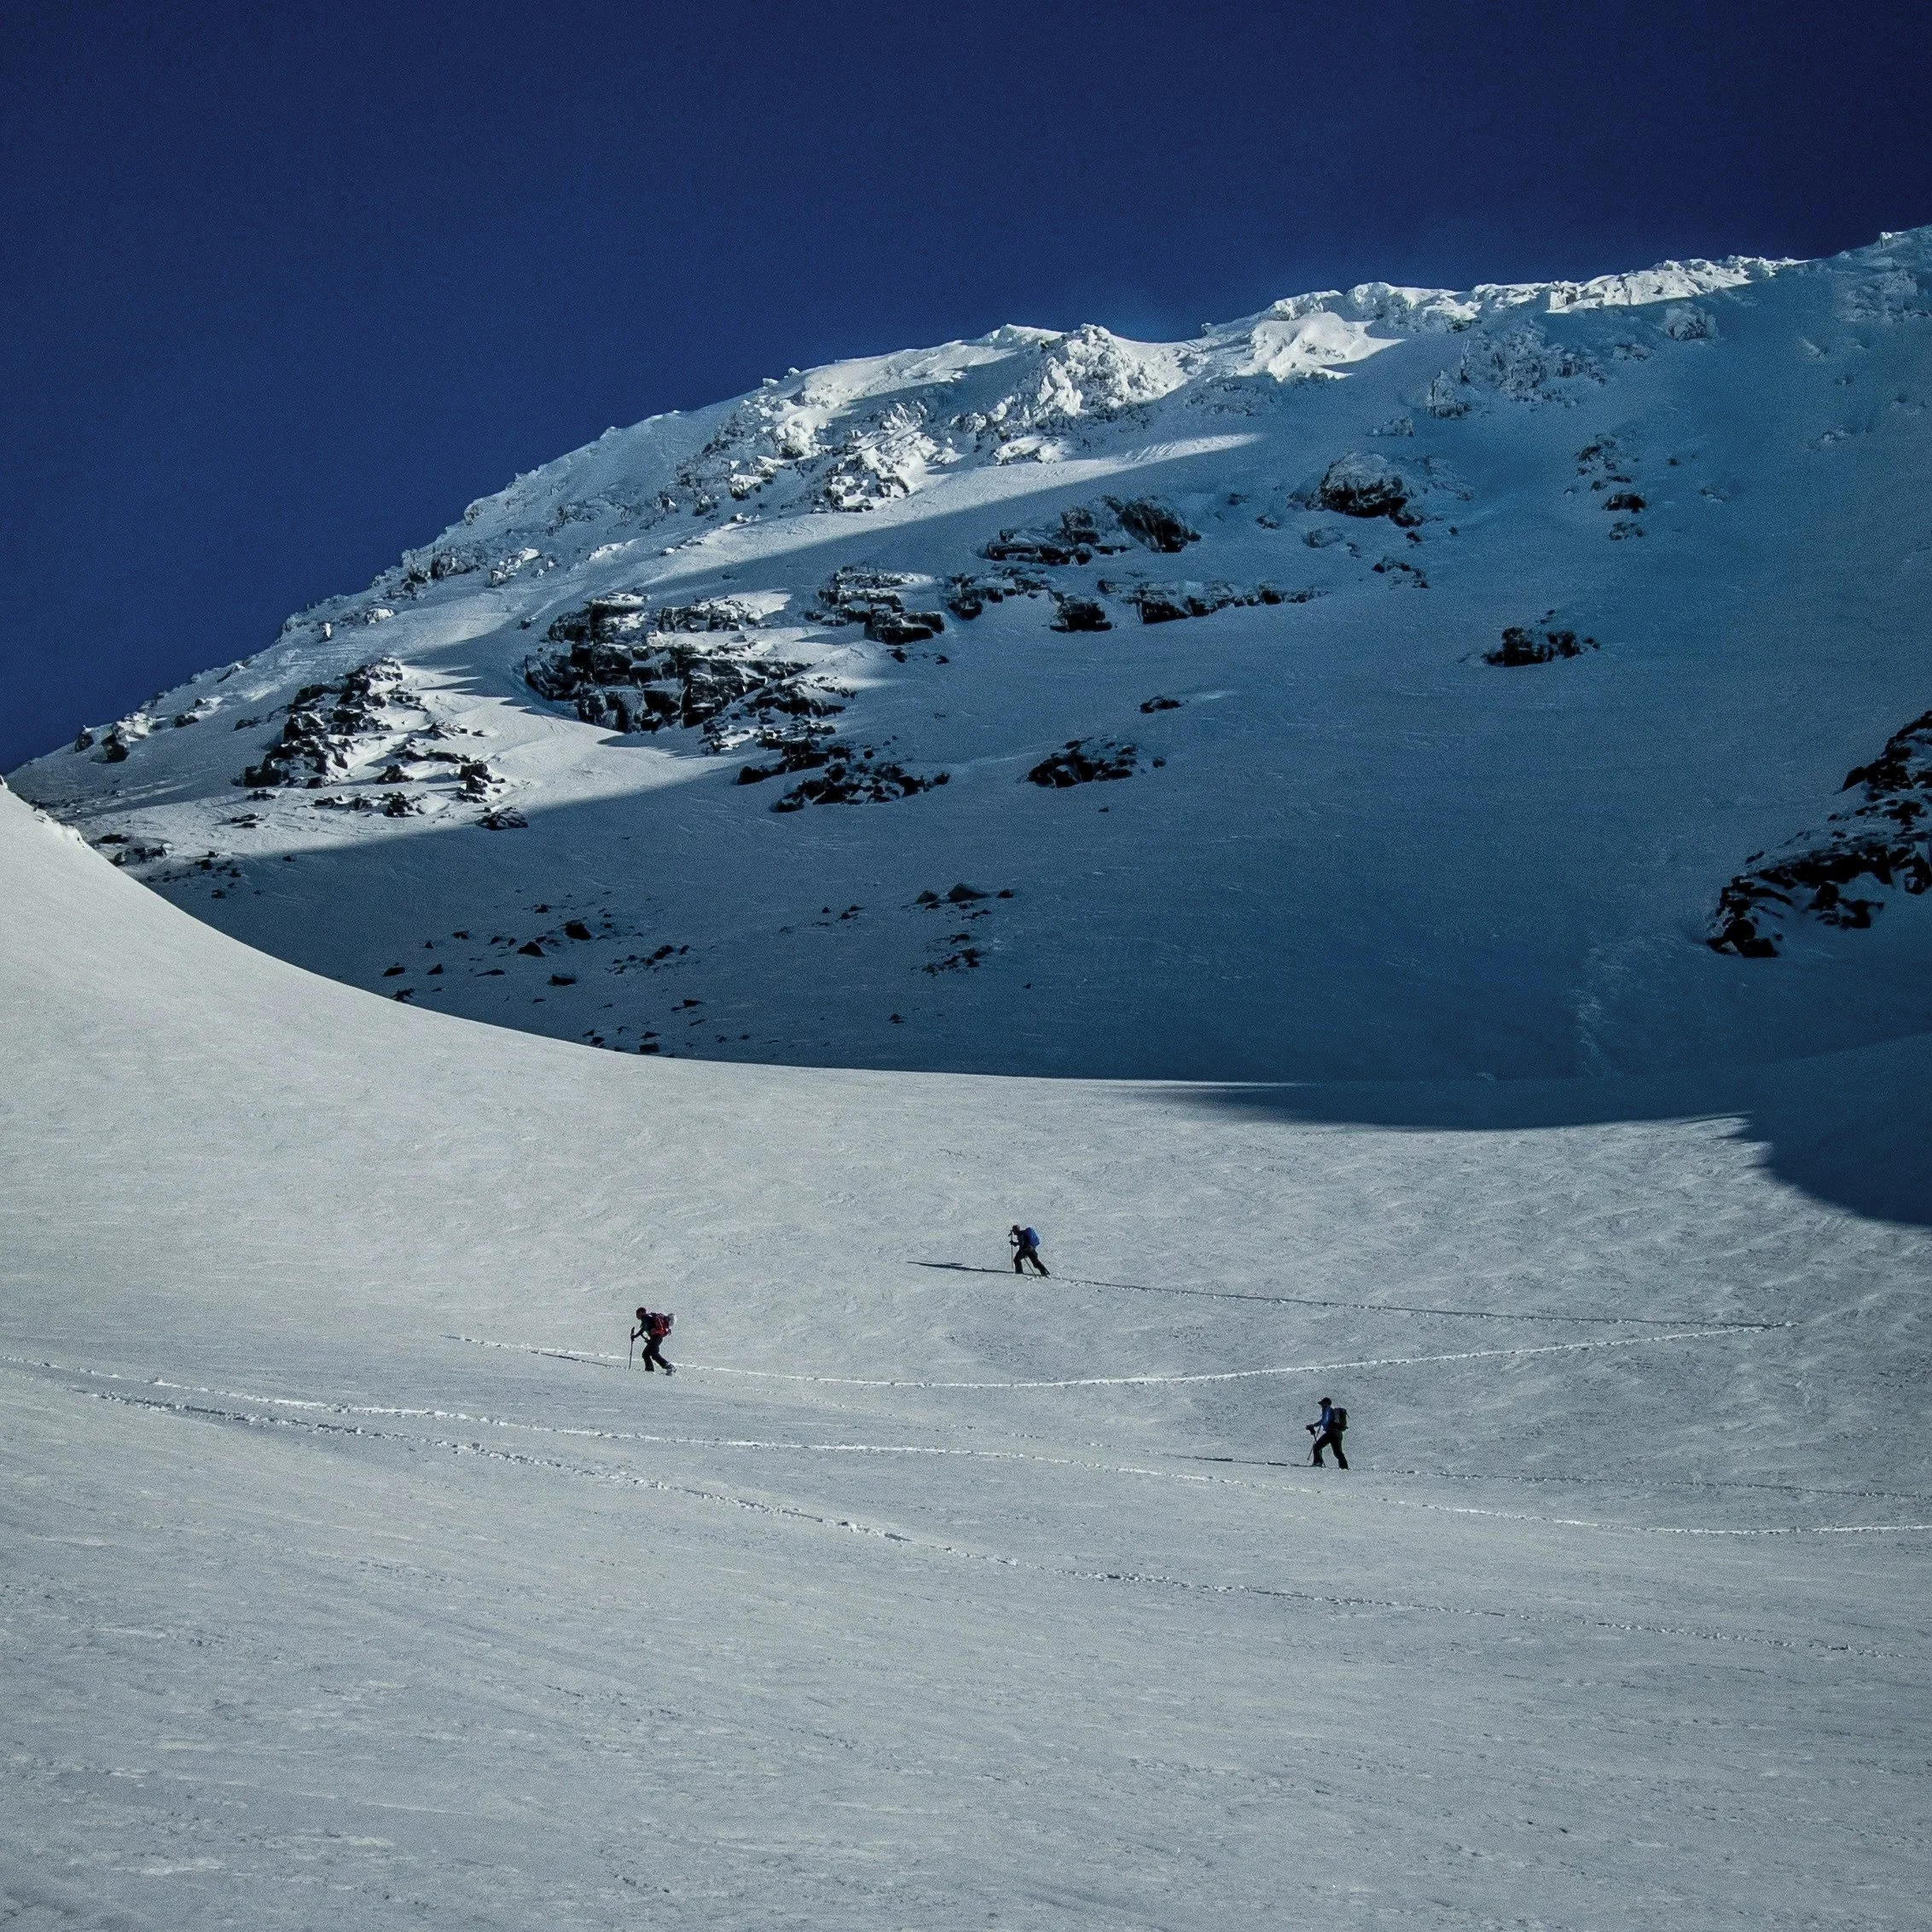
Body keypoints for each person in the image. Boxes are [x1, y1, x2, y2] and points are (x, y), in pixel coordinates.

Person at [631, 1305, 676, 1374]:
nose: (636, 1315)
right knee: (646, 1354)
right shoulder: (646, 1319)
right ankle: (649, 1370)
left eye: (637, 1313)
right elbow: (644, 1329)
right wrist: (635, 1336)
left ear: (641, 1312)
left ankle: (669, 1367)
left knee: (653, 1353)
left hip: (656, 1337)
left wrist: (634, 1336)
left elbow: (642, 1330)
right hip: (656, 1338)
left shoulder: (645, 1317)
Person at [1307, 1395, 1348, 1468]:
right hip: (1338, 1433)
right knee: (1338, 1453)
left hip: (1331, 1433)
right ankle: (1344, 1467)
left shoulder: (1326, 1409)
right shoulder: (1333, 1412)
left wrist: (1314, 1425)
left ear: (1326, 1403)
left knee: (1317, 1447)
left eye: (1322, 1403)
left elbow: (1325, 1420)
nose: (1321, 1406)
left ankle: (1318, 1462)